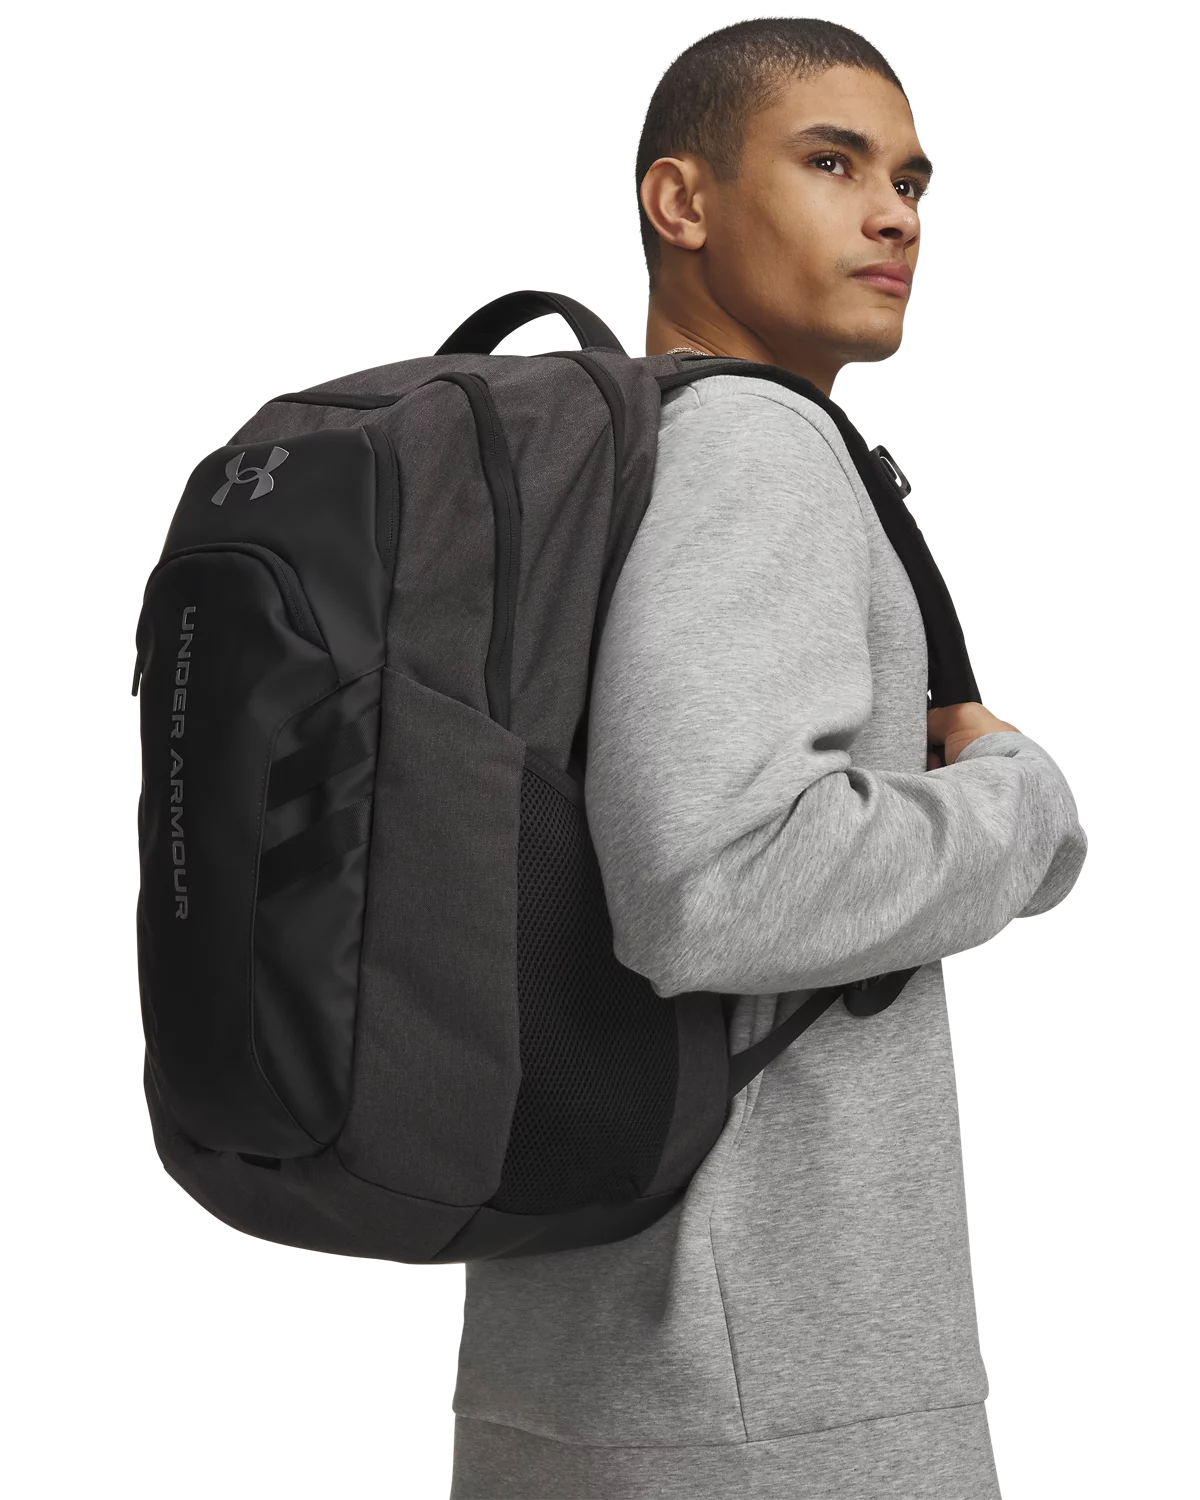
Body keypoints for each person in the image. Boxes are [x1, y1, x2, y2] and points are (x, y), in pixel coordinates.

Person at [448, 17, 1088, 1499]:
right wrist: (1020, 802)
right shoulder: (750, 449)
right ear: (682, 201)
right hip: (779, 1397)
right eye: (832, 163)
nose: (895, 215)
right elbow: (715, 885)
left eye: (912, 182)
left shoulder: (592, 461)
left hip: (589, 1352)